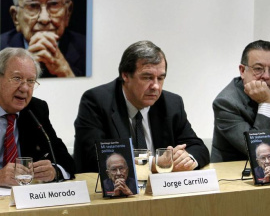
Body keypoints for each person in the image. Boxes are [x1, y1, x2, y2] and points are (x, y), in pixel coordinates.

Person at [74, 40, 210, 173]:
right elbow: (95, 157)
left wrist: (186, 159)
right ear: (125, 75)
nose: (155, 86)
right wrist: (154, 164)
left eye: (161, 78)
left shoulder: (172, 103)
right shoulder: (96, 102)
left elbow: (198, 148)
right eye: (147, 77)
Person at [0, 47, 75, 187]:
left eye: (31, 81)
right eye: (17, 78)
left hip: (25, 200)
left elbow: (66, 160)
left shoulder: (35, 110)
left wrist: (54, 171)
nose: (25, 88)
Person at [0, 0, 86, 78]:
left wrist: (65, 72)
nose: (44, 19)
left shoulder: (88, 49)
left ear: (68, 13)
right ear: (16, 17)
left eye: (54, 4)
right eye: (33, 6)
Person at [211, 40, 270, 162]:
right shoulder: (226, 102)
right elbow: (257, 147)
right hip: (233, 175)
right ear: (242, 71)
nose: (266, 76)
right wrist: (265, 103)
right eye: (258, 69)